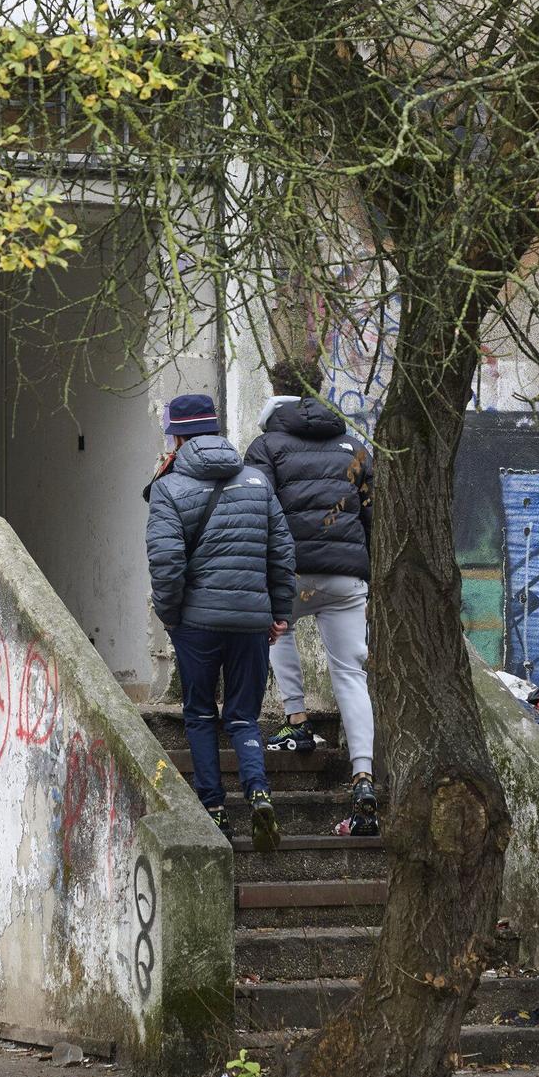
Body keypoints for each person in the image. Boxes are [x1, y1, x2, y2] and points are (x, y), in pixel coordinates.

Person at [146, 393, 296, 851]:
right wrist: (279, 612)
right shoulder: (255, 480)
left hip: (197, 623)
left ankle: (213, 806)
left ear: (177, 435)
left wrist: (171, 617)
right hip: (251, 621)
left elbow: (167, 562)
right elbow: (282, 551)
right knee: (244, 716)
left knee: (199, 713)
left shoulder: (169, 487)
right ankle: (258, 792)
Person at [245, 361, 380, 836]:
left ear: (274, 391)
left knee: (277, 629)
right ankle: (363, 777)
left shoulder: (266, 447)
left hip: (293, 572)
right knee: (350, 674)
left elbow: (255, 509)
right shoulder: (353, 446)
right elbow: (370, 513)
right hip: (347, 576)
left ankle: (296, 718)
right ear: (319, 389)